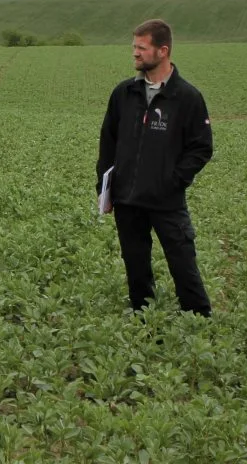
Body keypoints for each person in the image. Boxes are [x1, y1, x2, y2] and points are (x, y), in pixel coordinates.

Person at [97, 19, 213, 317]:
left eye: (141, 47)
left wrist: (173, 181)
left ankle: (199, 320)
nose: (135, 53)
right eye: (134, 46)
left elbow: (201, 148)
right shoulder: (124, 94)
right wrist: (105, 189)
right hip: (127, 200)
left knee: (182, 263)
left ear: (163, 51)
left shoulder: (187, 97)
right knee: (136, 267)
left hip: (166, 201)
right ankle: (144, 320)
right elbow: (108, 142)